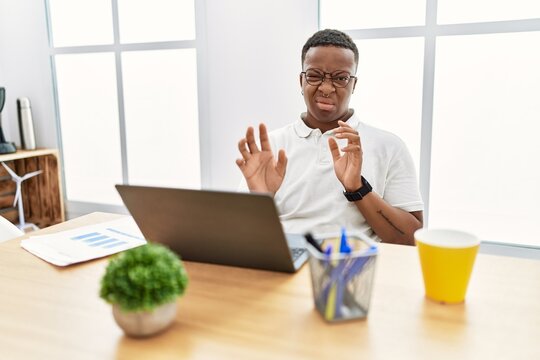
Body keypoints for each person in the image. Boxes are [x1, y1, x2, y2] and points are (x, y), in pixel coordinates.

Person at [236, 29, 423, 245]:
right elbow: (244, 238)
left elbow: (412, 240)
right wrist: (262, 199)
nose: (326, 88)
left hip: (354, 268)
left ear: (353, 84)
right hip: (286, 265)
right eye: (314, 76)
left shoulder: (389, 146)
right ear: (301, 81)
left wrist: (358, 188)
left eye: (340, 78)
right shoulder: (272, 146)